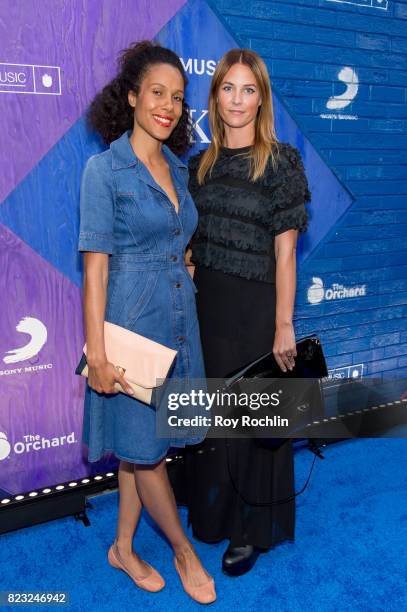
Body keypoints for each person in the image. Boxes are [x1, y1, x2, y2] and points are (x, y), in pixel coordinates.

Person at [78, 41, 216, 604]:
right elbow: (95, 269)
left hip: (181, 319)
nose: (168, 106)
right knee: (147, 450)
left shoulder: (178, 170)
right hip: (131, 326)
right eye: (156, 93)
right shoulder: (103, 169)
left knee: (144, 449)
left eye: (178, 98)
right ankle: (184, 552)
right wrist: (97, 354)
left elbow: (176, 238)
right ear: (132, 96)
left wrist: (184, 262)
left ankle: (123, 548)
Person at [176, 48, 311, 576]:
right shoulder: (198, 166)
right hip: (207, 307)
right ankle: (214, 513)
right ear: (214, 98)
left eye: (247, 89)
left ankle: (251, 528)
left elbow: (285, 252)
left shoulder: (281, 162)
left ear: (261, 97)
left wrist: (283, 323)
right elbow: (190, 247)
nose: (237, 99)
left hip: (257, 309)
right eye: (227, 88)